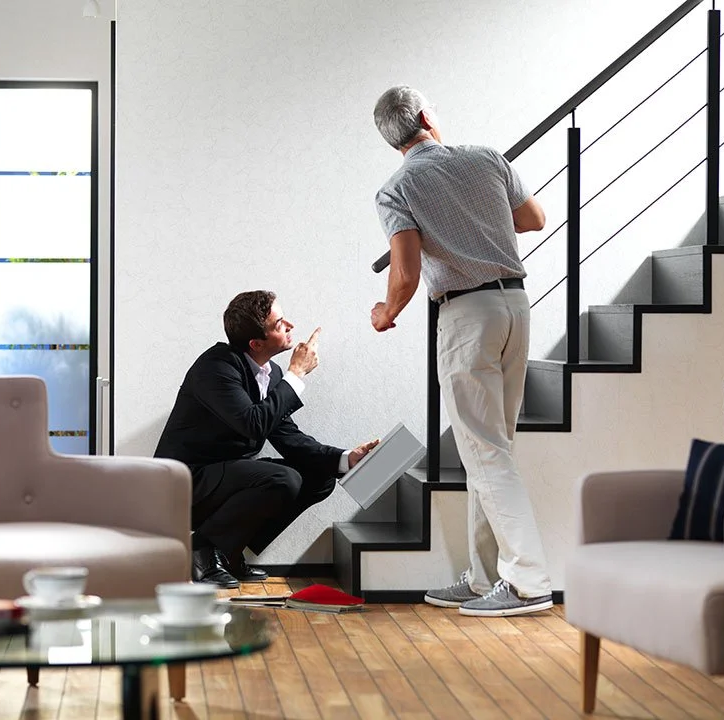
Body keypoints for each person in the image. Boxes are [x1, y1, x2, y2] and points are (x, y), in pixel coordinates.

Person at [369, 85, 553, 617]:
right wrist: (477, 215)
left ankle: (527, 583)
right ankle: (483, 578)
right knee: (491, 448)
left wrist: (386, 314)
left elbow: (403, 274)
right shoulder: (486, 158)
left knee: (486, 451)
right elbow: (533, 218)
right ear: (426, 116)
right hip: (515, 306)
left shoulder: (397, 188)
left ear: (392, 141)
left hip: (466, 317)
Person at [154, 290, 379, 588]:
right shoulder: (215, 368)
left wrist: (345, 458)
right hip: (185, 484)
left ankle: (229, 549)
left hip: (226, 479)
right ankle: (203, 551)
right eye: (279, 323)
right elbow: (254, 424)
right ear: (256, 343)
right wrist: (296, 374)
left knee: (320, 477)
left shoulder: (269, 374)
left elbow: (288, 437)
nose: (291, 326)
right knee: (282, 479)